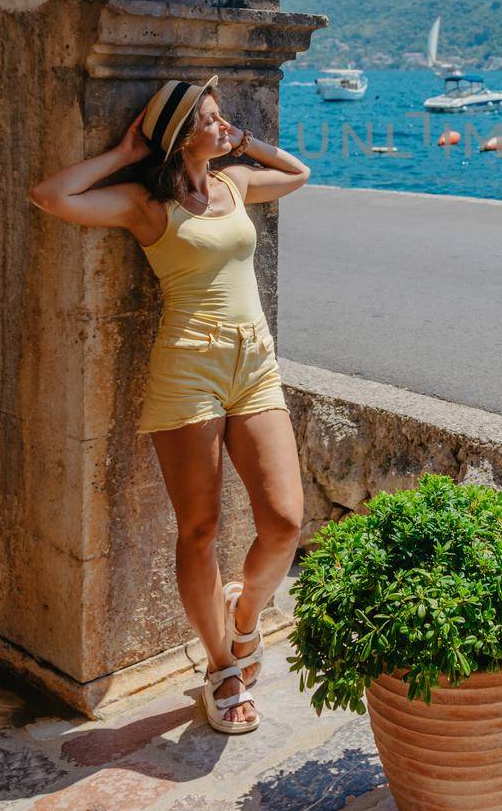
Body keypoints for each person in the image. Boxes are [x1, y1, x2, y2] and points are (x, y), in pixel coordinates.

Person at [27, 75, 310, 735]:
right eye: (213, 120)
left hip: (255, 366)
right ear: (184, 135)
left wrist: (248, 142)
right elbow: (52, 196)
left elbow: (298, 173)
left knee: (285, 522)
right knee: (200, 529)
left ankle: (244, 623)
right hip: (189, 372)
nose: (225, 126)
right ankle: (222, 669)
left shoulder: (236, 183)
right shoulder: (146, 204)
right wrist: (128, 153)